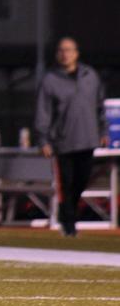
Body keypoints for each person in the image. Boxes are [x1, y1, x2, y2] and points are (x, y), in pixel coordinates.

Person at [35, 37, 107, 237]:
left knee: (82, 180)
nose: (65, 54)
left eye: (69, 50)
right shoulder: (50, 80)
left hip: (88, 139)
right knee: (65, 183)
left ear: (76, 53)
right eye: (61, 50)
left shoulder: (90, 76)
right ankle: (69, 223)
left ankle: (68, 213)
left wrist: (103, 131)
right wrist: (44, 140)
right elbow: (43, 112)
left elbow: (100, 106)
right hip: (62, 142)